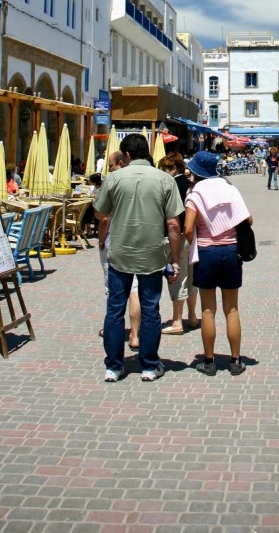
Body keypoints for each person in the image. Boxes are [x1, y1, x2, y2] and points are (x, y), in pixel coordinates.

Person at [93, 133, 183, 383]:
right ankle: (149, 366)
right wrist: (175, 260)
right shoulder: (165, 180)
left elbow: (100, 213)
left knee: (114, 310)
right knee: (150, 309)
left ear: (127, 155)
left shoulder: (114, 179)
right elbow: (174, 224)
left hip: (120, 252)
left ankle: (113, 366)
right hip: (152, 255)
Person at [184, 150, 252, 376]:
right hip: (231, 251)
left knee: (207, 310)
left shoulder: (194, 193)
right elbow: (248, 219)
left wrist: (195, 242)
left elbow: (187, 228)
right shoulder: (230, 188)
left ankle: (209, 361)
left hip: (206, 252)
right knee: (232, 309)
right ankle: (236, 360)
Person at [96, 152, 140, 350]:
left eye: (111, 165)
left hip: (114, 240)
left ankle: (113, 329)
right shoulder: (138, 181)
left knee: (113, 288)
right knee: (134, 289)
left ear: (120, 163)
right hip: (136, 240)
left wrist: (100, 239)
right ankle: (135, 335)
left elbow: (104, 217)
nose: (109, 169)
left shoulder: (112, 182)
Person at [158, 152, 199, 334]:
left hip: (177, 237)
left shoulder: (170, 185)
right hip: (192, 236)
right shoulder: (191, 185)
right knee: (191, 277)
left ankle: (177, 321)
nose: (163, 173)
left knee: (177, 277)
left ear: (173, 168)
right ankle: (192, 316)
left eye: (164, 169)